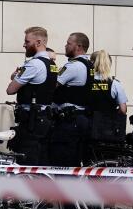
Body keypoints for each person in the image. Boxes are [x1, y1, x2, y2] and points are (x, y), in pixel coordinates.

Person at [6, 26, 59, 166]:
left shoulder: (34, 65)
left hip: (32, 121)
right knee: (41, 159)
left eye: (27, 41)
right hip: (45, 118)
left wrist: (15, 77)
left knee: (27, 159)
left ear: (38, 42)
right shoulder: (52, 64)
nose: (24, 45)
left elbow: (10, 90)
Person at [50, 31, 95, 167]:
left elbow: (52, 85)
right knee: (75, 160)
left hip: (69, 122)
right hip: (82, 119)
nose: (65, 46)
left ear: (78, 46)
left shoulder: (73, 66)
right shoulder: (89, 65)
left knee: (62, 159)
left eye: (69, 43)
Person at [88, 49, 129, 144]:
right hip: (107, 129)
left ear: (93, 62)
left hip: (89, 127)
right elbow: (123, 109)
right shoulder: (115, 84)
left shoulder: (86, 82)